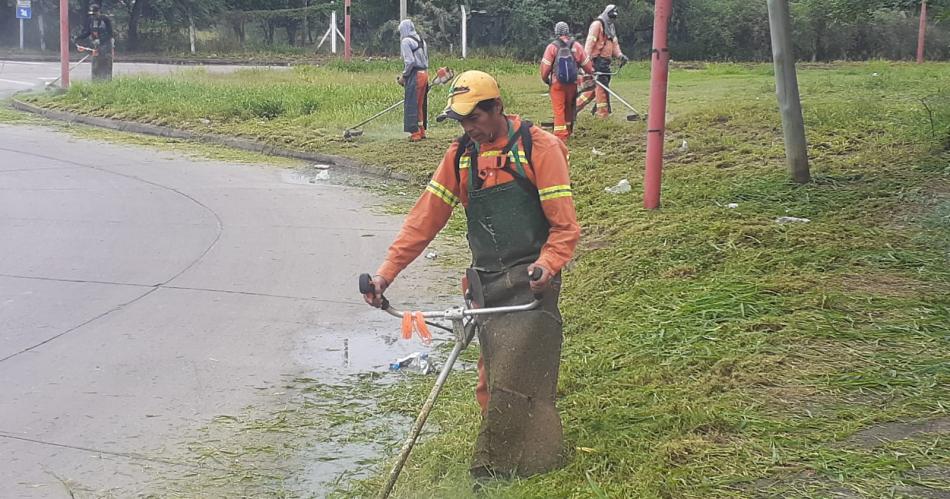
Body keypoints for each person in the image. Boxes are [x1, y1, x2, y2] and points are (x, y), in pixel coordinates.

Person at [362, 70, 580, 480]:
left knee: (521, 369)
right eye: (462, 121)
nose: (469, 128)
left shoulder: (540, 147)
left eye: (474, 118)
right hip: (486, 281)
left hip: (532, 278)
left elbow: (565, 227)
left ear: (496, 107)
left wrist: (548, 265)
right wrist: (385, 275)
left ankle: (520, 462)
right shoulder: (462, 155)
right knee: (491, 374)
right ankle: (502, 453)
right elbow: (424, 219)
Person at [540, 22, 595, 142]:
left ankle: (560, 136)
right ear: (567, 31)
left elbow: (545, 68)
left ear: (556, 32)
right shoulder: (576, 46)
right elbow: (588, 66)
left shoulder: (552, 47)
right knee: (569, 107)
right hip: (572, 83)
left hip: (557, 84)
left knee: (559, 109)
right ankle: (569, 131)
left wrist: (546, 80)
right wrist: (591, 74)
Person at [576, 4, 629, 118]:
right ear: (607, 14)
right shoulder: (597, 25)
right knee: (601, 88)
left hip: (605, 63)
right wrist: (585, 62)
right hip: (596, 62)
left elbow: (614, 44)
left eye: (614, 17)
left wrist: (620, 56)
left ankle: (573, 109)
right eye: (611, 17)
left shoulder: (611, 27)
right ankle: (602, 114)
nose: (612, 19)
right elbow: (589, 44)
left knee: (593, 90)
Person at [397, 19, 429, 142]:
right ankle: (421, 131)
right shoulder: (421, 40)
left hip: (415, 75)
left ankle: (415, 134)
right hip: (424, 74)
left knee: (411, 104)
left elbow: (410, 61)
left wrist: (404, 76)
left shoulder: (406, 42)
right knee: (419, 104)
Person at [74, 4, 114, 81]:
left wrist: (101, 40)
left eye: (95, 14)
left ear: (99, 12)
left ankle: (107, 83)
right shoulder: (91, 20)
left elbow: (110, 34)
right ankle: (95, 83)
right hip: (96, 47)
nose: (94, 16)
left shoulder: (105, 19)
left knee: (106, 66)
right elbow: (88, 32)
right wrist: (79, 38)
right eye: (92, 14)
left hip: (106, 47)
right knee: (96, 66)